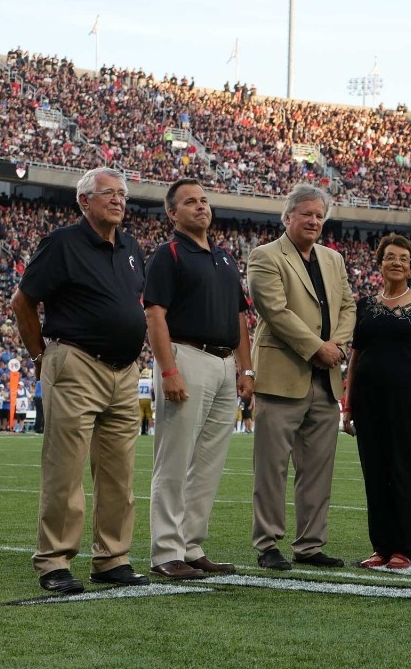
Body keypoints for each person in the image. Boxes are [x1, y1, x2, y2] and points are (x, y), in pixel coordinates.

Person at [10, 167, 150, 594]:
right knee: (64, 469)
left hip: (124, 372)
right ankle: (54, 560)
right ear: (84, 201)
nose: (118, 200)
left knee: (118, 472)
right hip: (77, 362)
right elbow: (23, 301)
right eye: (108, 193)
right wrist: (39, 356)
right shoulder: (63, 243)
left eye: (123, 194)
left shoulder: (131, 247)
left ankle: (112, 557)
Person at [144, 178, 254, 580]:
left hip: (226, 365)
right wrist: (168, 368)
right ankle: (165, 551)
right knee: (174, 461)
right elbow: (154, 314)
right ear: (173, 213)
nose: (201, 207)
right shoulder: (168, 254)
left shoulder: (224, 258)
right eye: (190, 202)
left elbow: (240, 318)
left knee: (208, 463)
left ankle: (191, 545)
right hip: (186, 355)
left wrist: (246, 369)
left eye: (204, 200)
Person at [246, 184, 356, 570]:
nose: (313, 221)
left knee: (318, 468)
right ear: (287, 217)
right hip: (282, 375)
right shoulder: (265, 256)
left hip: (325, 378)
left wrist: (338, 345)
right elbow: (275, 312)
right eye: (306, 214)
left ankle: (310, 544)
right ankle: (267, 544)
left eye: (319, 216)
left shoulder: (333, 259)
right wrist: (318, 348)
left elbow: (347, 305)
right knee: (271, 467)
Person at [343, 235, 411, 569]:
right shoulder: (365, 305)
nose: (397, 262)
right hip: (367, 400)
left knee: (400, 469)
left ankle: (401, 548)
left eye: (403, 258)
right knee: (373, 471)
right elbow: (355, 357)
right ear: (379, 263)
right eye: (390, 257)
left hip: (404, 399)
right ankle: (380, 547)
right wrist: (348, 403)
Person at [137, 368, 154, 436]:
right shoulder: (151, 381)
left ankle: (139, 430)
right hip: (148, 399)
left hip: (140, 399)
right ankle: (151, 430)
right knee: (149, 416)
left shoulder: (139, 381)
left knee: (140, 416)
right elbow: (153, 390)